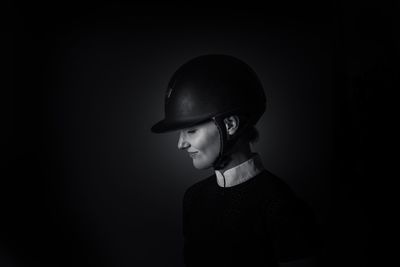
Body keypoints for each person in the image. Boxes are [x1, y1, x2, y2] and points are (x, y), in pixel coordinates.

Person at [151, 55, 320, 267]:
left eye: (191, 131)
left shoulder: (281, 205)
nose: (180, 143)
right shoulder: (193, 198)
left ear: (230, 124)